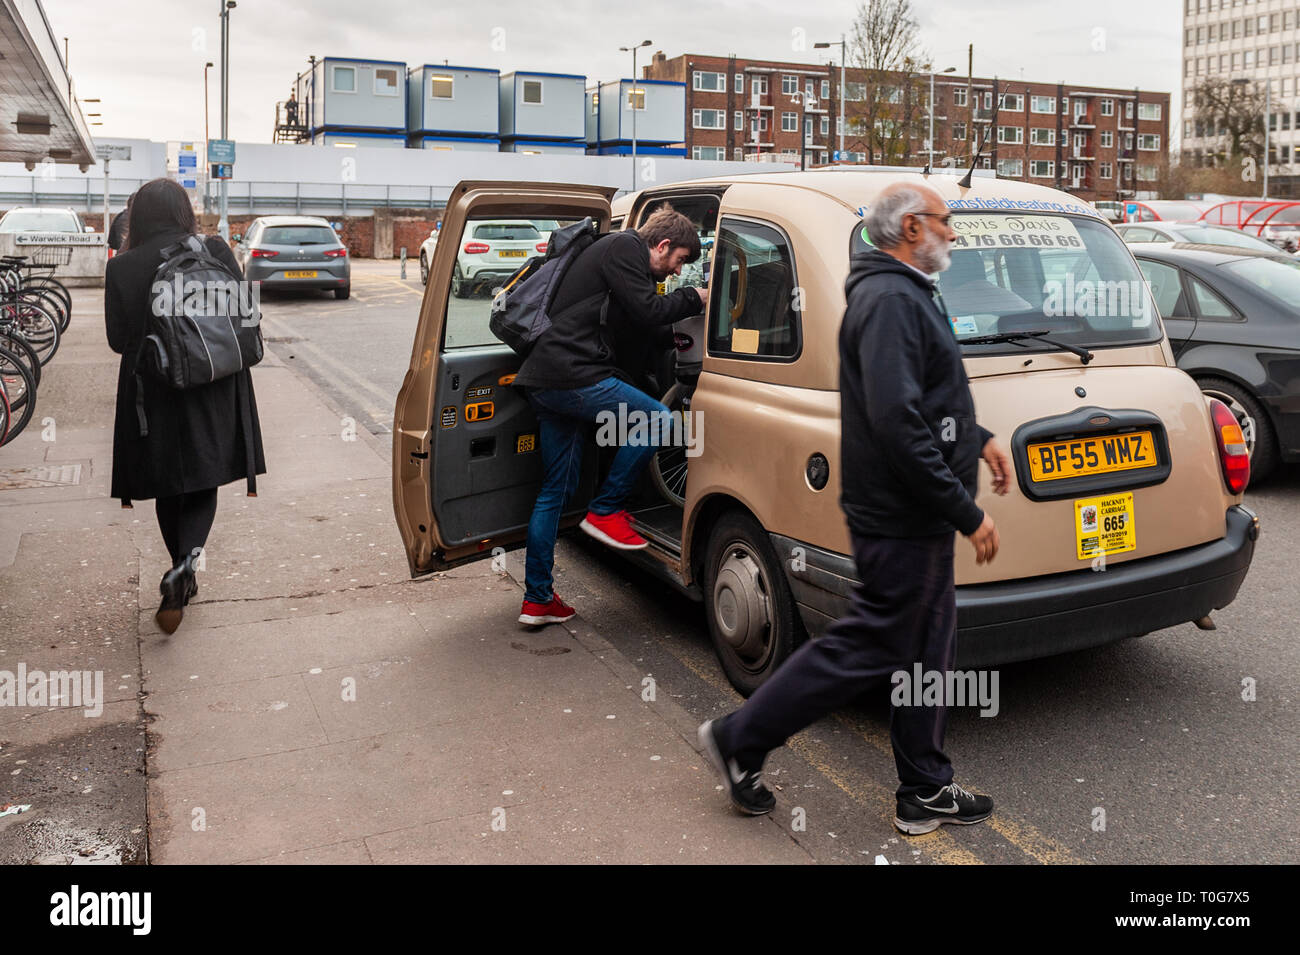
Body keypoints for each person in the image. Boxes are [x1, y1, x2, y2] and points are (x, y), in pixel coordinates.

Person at [698, 181, 1011, 836]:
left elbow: (922, 401)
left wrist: (977, 441)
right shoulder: (890, 300)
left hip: (914, 516)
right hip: (901, 516)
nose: (952, 234)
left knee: (929, 648)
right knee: (871, 642)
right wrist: (966, 511)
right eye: (945, 223)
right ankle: (739, 738)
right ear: (910, 229)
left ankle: (923, 786)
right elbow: (897, 423)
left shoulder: (905, 293)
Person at [512, 206, 707, 626]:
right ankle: (605, 510)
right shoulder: (623, 246)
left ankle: (537, 600)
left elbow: (636, 326)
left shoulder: (616, 259)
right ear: (663, 244)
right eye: (678, 262)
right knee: (657, 419)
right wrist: (697, 298)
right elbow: (650, 310)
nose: (675, 272)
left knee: (554, 493)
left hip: (546, 381)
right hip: (572, 375)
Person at [104, 177, 266, 634]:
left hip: (151, 390)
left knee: (168, 484)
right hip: (214, 382)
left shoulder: (123, 267)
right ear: (183, 210)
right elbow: (246, 315)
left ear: (137, 217)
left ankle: (180, 569)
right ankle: (184, 568)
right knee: (202, 478)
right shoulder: (213, 250)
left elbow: (118, 341)